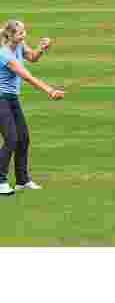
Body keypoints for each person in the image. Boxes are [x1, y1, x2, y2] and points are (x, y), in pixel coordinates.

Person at [0, 20, 64, 197]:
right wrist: (50, 91)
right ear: (11, 36)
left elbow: (33, 58)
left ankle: (22, 181)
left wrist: (42, 48)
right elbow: (27, 76)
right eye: (20, 33)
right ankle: (0, 181)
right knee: (11, 139)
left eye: (24, 32)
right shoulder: (5, 54)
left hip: (11, 98)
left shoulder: (19, 45)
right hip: (1, 99)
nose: (24, 36)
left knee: (23, 138)